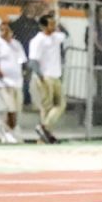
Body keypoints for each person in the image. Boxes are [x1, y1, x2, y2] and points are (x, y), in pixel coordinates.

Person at [28, 13, 66, 144]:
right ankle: (44, 136)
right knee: (47, 107)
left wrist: (57, 20)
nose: (54, 26)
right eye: (51, 24)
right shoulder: (37, 40)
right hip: (45, 76)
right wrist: (41, 76)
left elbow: (65, 35)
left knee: (60, 105)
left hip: (56, 75)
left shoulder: (55, 36)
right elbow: (33, 61)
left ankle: (44, 128)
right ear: (43, 26)